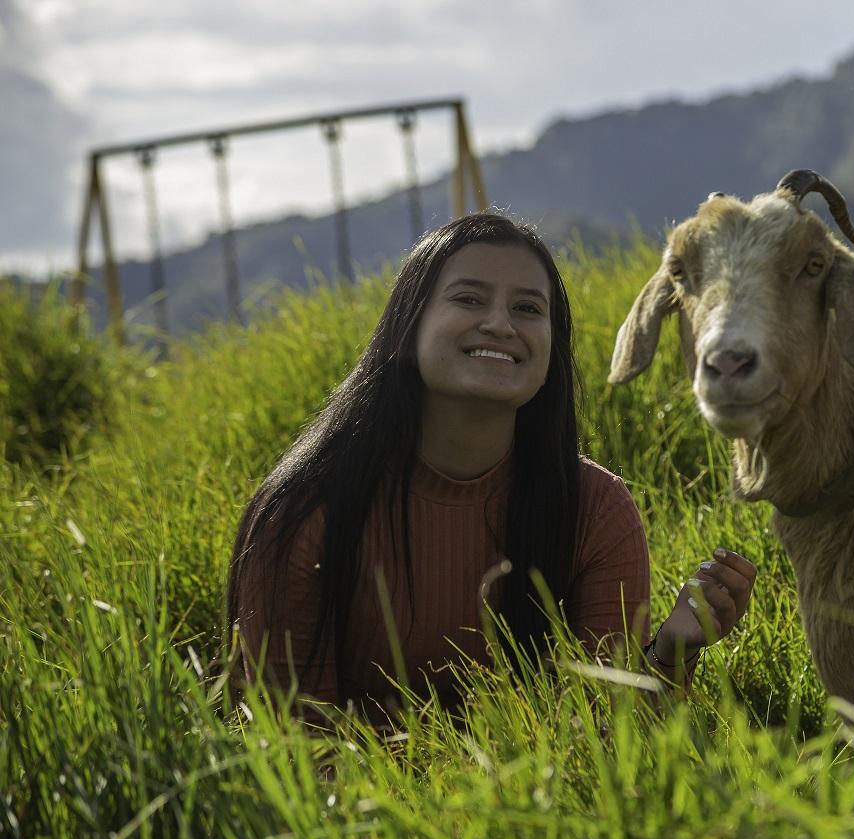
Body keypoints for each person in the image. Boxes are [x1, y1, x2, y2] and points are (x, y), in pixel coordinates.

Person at [226, 212, 756, 722]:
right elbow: (295, 747)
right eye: (469, 298)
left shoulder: (594, 508)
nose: (499, 324)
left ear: (552, 349)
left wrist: (672, 651)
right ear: (408, 329)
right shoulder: (306, 513)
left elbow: (607, 736)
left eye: (528, 309)